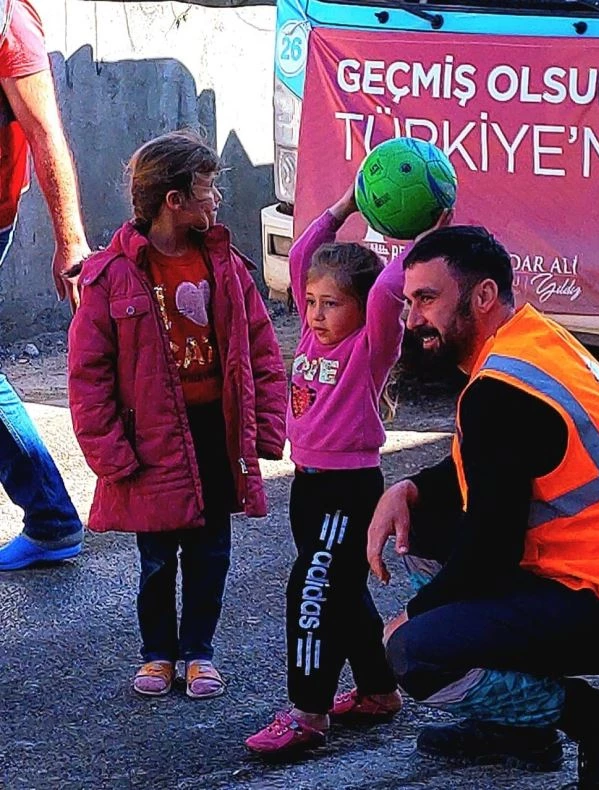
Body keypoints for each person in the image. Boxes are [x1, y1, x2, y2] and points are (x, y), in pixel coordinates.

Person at [367, 225, 599, 789]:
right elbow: (501, 460)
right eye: (409, 301)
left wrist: (417, 613)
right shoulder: (531, 339)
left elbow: (490, 553)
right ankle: (518, 728)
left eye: (427, 299)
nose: (411, 318)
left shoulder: (500, 392)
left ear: (483, 297)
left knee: (414, 654)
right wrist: (412, 488)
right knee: (420, 531)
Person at [66, 130, 287, 699]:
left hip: (214, 433)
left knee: (212, 551)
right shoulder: (109, 275)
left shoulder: (225, 265)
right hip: (151, 444)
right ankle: (158, 653)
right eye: (208, 189)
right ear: (174, 200)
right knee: (158, 558)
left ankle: (199, 652)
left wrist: (265, 425)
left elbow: (259, 347)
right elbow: (88, 376)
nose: (216, 200)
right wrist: (111, 453)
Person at [244, 185, 440, 759]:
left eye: (332, 304)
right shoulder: (310, 333)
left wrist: (422, 239)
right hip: (307, 487)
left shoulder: (369, 347)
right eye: (311, 302)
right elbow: (304, 256)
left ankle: (308, 712)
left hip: (347, 491)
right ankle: (379, 692)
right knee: (341, 588)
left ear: (358, 310)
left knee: (311, 589)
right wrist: (345, 206)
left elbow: (385, 291)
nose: (317, 313)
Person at [0, 0, 88, 570]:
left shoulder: (8, 19)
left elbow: (42, 127)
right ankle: (52, 517)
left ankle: (53, 516)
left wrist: (70, 237)